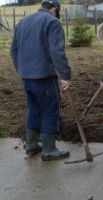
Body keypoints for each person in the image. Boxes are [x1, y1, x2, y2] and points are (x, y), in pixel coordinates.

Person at [11, 0, 71, 161]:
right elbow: (56, 51)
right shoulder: (52, 21)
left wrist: (21, 70)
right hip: (44, 77)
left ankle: (31, 144)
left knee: (33, 108)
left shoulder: (22, 22)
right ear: (54, 9)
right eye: (57, 12)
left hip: (26, 76)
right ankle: (49, 149)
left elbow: (14, 50)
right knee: (50, 109)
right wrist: (65, 75)